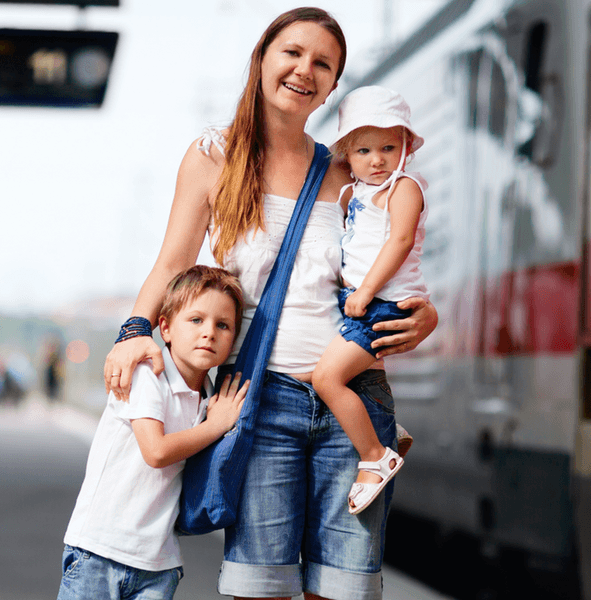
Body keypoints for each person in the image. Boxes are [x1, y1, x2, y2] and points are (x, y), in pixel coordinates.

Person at [102, 8, 439, 599]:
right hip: (261, 399)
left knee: (345, 591)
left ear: (334, 85)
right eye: (293, 53)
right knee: (260, 590)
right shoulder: (215, 156)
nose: (304, 70)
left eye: (323, 64)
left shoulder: (349, 170)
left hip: (354, 396)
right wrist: (134, 330)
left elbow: (393, 260)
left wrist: (424, 313)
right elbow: (173, 262)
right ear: (262, 58)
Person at [59, 266, 251, 600]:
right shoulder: (147, 375)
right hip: (98, 551)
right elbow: (156, 451)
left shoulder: (211, 398)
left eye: (223, 325)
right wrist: (215, 426)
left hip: (159, 564)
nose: (209, 333)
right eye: (196, 320)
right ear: (165, 327)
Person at [311, 86, 428, 515]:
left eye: (388, 147)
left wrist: (362, 292)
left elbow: (399, 242)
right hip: (361, 300)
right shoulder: (357, 193)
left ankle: (376, 456)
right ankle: (386, 431)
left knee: (326, 378)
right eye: (363, 150)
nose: (376, 159)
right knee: (322, 370)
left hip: (380, 304)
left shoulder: (404, 188)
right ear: (347, 154)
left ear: (405, 149)